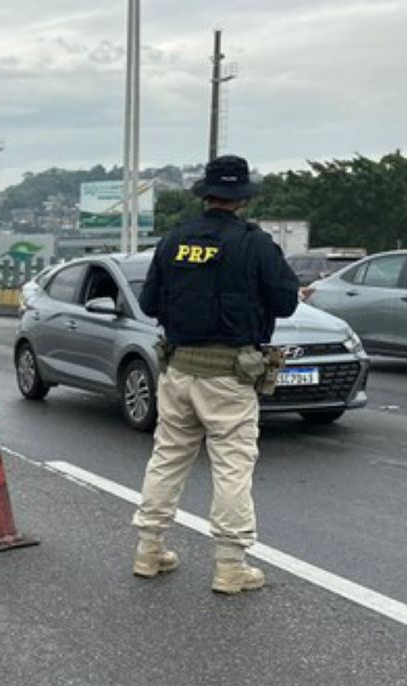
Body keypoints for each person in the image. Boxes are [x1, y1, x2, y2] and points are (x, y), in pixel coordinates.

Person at [131, 154, 300, 596]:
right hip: (229, 375)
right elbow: (285, 303)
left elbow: (148, 304)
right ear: (242, 199)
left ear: (205, 195)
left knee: (168, 457)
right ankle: (230, 566)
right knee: (231, 466)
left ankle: (149, 550)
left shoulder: (174, 240)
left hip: (178, 368)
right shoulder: (255, 243)